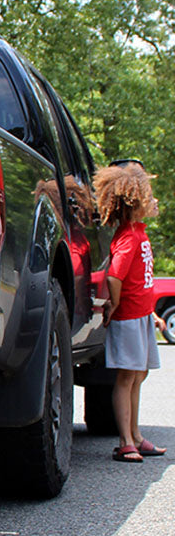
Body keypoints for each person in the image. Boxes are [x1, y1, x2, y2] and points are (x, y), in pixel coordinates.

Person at [94, 161, 167, 463]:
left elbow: (142, 280)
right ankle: (125, 441)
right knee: (127, 378)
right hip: (128, 318)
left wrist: (152, 314)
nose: (154, 201)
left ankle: (135, 435)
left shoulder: (139, 233)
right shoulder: (129, 237)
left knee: (139, 374)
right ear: (135, 202)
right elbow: (114, 276)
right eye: (149, 196)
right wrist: (116, 304)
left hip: (141, 315)